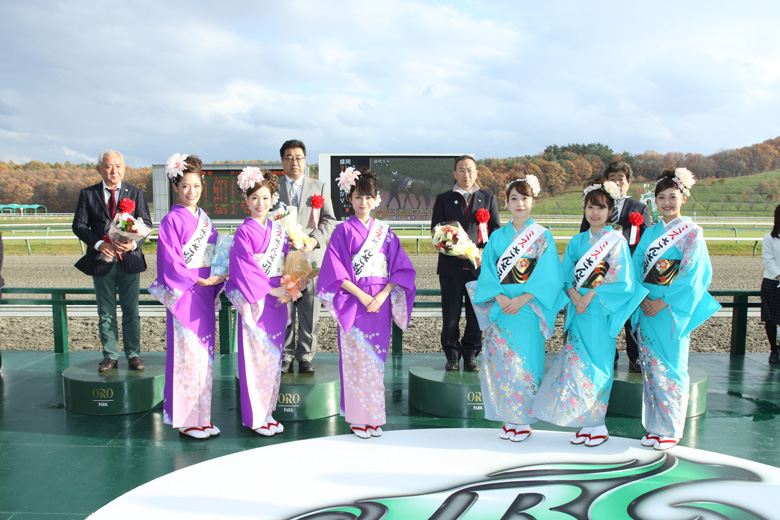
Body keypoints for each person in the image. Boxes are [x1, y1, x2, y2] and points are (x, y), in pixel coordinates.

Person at [533, 179, 647, 447]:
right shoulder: (577, 241)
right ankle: (586, 422)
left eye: (601, 208)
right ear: (584, 209)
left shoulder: (616, 242)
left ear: (610, 212)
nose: (595, 213)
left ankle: (598, 424)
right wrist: (573, 294)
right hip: (578, 311)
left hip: (601, 311)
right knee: (577, 368)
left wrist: (591, 295)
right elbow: (565, 277)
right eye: (590, 207)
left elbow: (623, 281)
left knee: (599, 368)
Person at [318, 168, 416, 438]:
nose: (363, 202)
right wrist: (361, 296)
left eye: (368, 197)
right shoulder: (342, 231)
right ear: (350, 199)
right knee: (355, 362)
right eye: (358, 197)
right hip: (353, 301)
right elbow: (335, 271)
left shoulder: (385, 232)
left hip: (379, 304)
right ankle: (356, 418)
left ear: (376, 200)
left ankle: (373, 417)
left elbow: (401, 269)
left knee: (375, 363)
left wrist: (383, 295)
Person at [470, 176, 565, 442]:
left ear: (533, 201)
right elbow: (488, 272)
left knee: (526, 363)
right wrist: (500, 297)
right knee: (503, 362)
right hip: (502, 309)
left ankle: (523, 420)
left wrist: (523, 298)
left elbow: (549, 275)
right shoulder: (497, 236)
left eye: (525, 198)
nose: (520, 203)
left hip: (529, 308)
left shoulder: (543, 236)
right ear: (506, 203)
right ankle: (509, 417)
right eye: (514, 198)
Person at [632, 168, 720, 451]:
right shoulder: (650, 233)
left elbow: (693, 274)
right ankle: (655, 427)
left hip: (671, 310)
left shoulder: (692, 233)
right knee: (650, 367)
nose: (667, 203)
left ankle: (671, 429)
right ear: (654, 201)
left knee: (672, 367)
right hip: (647, 307)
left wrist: (663, 301)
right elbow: (635, 269)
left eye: (672, 196)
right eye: (661, 198)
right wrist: (642, 299)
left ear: (683, 197)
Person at [148, 154, 225, 439]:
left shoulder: (205, 219)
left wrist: (220, 271)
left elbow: (215, 252)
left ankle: (202, 417)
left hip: (204, 293)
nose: (191, 192)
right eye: (185, 186)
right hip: (186, 295)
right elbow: (170, 262)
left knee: (204, 357)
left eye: (196, 186)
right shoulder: (171, 220)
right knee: (187, 357)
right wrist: (198, 278)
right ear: (175, 188)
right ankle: (187, 420)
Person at [225, 167, 295, 436]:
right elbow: (242, 267)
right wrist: (271, 290)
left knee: (273, 358)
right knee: (255, 359)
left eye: (265, 198)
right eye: (254, 198)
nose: (260, 203)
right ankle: (255, 417)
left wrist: (291, 282)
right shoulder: (244, 232)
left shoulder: (279, 230)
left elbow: (286, 262)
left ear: (273, 199)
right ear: (246, 200)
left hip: (277, 301)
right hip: (256, 301)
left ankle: (267, 412)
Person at [72, 150, 152, 372]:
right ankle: (110, 356)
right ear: (100, 169)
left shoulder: (135, 192)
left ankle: (133, 355)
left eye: (118, 166)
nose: (113, 170)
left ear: (124, 168)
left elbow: (146, 224)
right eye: (108, 166)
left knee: (131, 311)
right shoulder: (88, 194)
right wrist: (99, 244)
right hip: (102, 260)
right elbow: (78, 225)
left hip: (130, 261)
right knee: (106, 313)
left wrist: (133, 244)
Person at [580, 161, 651, 373]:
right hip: (599, 273)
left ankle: (635, 356)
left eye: (621, 178)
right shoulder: (597, 203)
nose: (617, 182)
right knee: (604, 316)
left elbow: (646, 243)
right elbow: (584, 234)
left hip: (626, 273)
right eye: (612, 178)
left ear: (629, 183)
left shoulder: (639, 207)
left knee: (630, 317)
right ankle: (609, 356)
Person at [431, 155, 500, 371]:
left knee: (475, 315)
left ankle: (471, 355)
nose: (466, 174)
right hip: (450, 268)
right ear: (455, 173)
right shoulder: (443, 199)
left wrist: (480, 252)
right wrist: (456, 250)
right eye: (461, 170)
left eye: (470, 170)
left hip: (478, 268)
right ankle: (452, 355)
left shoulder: (488, 198)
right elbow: (436, 230)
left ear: (476, 173)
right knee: (450, 315)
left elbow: (495, 231)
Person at [277, 139, 336, 374]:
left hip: (310, 259)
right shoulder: (272, 188)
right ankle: (286, 354)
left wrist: (313, 241)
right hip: (281, 259)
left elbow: (329, 221)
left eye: (299, 157)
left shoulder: (319, 187)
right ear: (282, 161)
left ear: (305, 160)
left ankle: (306, 355)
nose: (294, 162)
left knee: (310, 309)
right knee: (285, 308)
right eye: (289, 158)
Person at [761, 204, 780, 364]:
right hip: (772, 282)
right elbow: (768, 260)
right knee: (771, 319)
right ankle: (773, 350)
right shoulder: (769, 238)